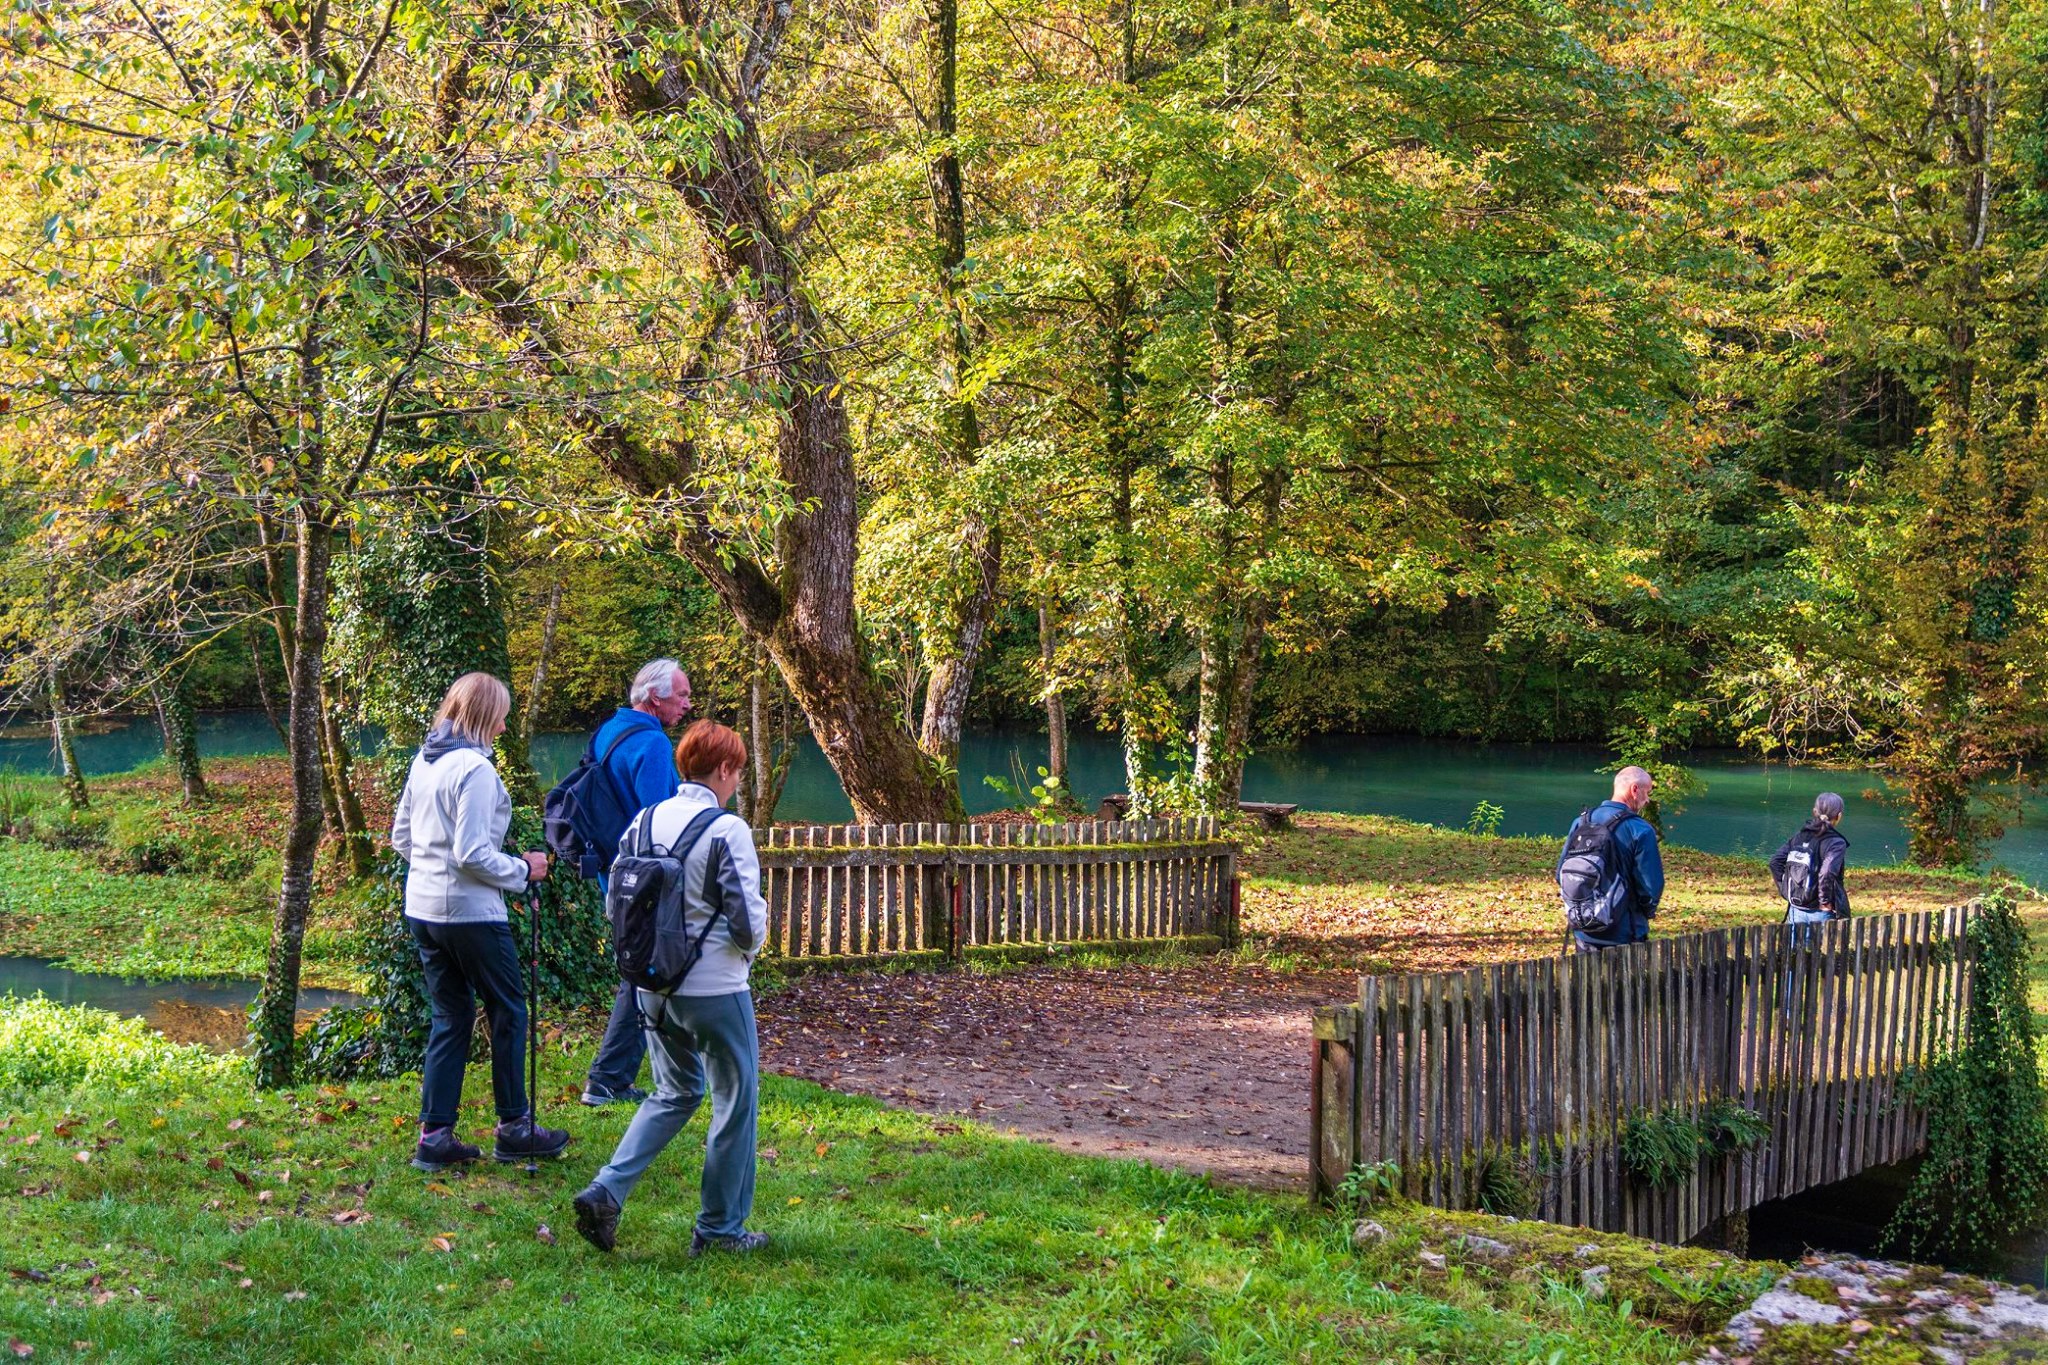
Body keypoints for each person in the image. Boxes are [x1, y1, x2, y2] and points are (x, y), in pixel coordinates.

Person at [571, 720, 770, 1257]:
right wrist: (746, 954)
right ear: (725, 769)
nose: (736, 781)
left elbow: (617, 898)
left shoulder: (643, 821)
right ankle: (720, 1229)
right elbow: (748, 920)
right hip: (715, 989)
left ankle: (607, 1189)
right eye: (737, 771)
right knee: (734, 1099)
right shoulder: (726, 830)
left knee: (674, 1091)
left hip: (652, 985)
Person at [389, 672, 569, 1171]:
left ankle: (435, 1136)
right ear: (486, 717)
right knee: (509, 1008)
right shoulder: (475, 770)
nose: (506, 725)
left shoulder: (425, 763)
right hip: (470, 913)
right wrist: (522, 869)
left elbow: (402, 838)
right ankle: (514, 1127)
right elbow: (471, 853)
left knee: (451, 1016)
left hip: (423, 909)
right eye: (502, 715)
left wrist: (433, 866)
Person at [582, 658, 695, 1107]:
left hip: (614, 870)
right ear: (655, 698)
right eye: (681, 695)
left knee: (645, 970)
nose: (687, 704)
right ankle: (607, 1078)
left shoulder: (608, 730)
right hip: (644, 879)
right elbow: (661, 820)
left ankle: (614, 1076)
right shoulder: (652, 744)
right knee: (647, 971)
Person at [1557, 765, 1665, 951]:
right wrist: (1647, 913)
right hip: (1625, 932)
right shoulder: (1640, 829)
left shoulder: (1581, 822)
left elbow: (1560, 873)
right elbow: (1650, 887)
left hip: (1584, 929)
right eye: (1647, 793)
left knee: (1587, 980)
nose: (1647, 800)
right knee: (1625, 981)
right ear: (1634, 790)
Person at [1771, 792, 1850, 925]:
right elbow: (1827, 872)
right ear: (1839, 816)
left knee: (1794, 946)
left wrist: (1785, 890)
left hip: (1796, 907)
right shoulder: (1836, 842)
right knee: (1820, 946)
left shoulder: (1800, 836)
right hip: (1820, 912)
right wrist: (1824, 901)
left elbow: (1775, 862)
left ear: (1814, 812)